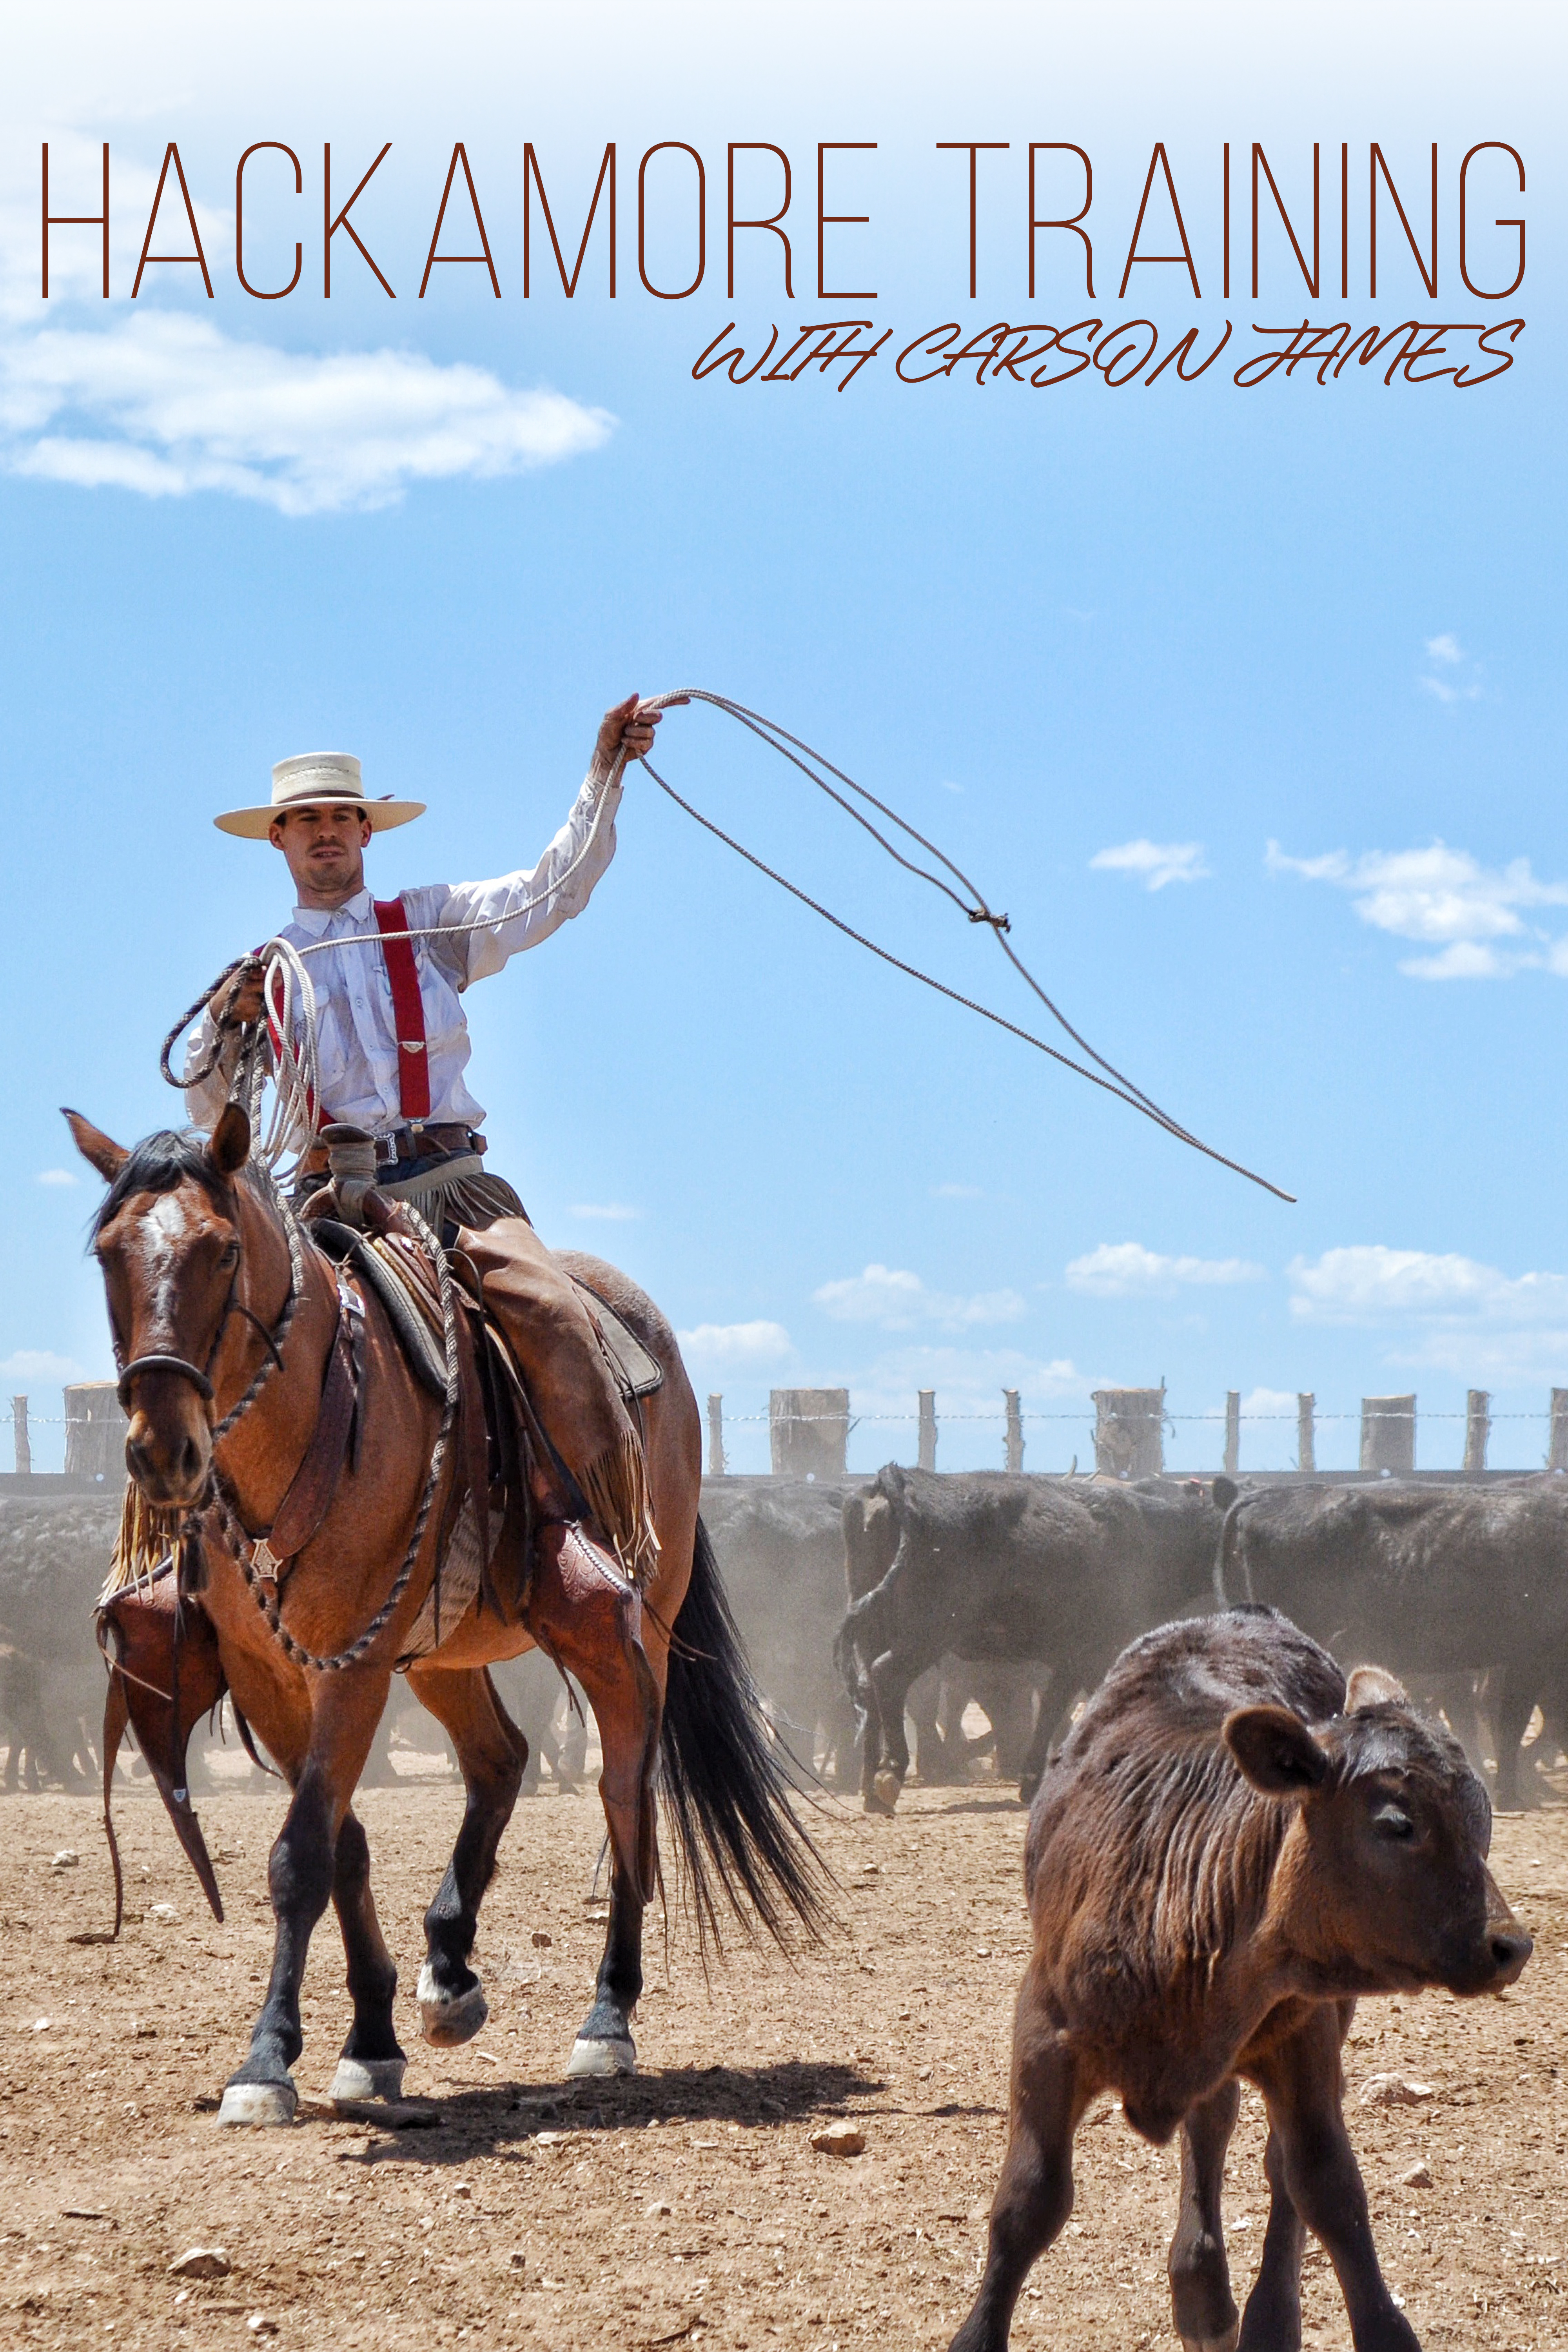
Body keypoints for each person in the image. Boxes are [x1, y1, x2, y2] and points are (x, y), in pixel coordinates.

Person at [183, 693, 674, 1576]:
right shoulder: (260, 977)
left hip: (452, 1186)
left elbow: (550, 891)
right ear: (279, 840)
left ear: (366, 833)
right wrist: (227, 1022)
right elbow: (207, 1109)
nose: (324, 833)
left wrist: (605, 772)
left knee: (553, 1313)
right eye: (306, 821)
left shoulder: (431, 926)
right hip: (323, 1202)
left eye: (340, 818)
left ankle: (596, 1539)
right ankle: (174, 1574)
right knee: (198, 1333)